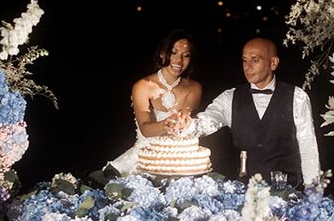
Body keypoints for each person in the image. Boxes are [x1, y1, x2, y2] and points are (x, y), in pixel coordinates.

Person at [178, 37, 320, 186]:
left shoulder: (297, 97)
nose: (247, 66)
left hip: (288, 192)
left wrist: (313, 192)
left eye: (255, 60)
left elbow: (308, 147)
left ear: (273, 63)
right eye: (245, 60)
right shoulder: (230, 97)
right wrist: (188, 125)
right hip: (245, 192)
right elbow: (207, 121)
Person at [105, 30, 202, 174]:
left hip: (180, 162)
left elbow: (187, 119)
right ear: (162, 53)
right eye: (173, 53)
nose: (179, 60)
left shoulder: (195, 88)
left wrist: (183, 120)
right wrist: (168, 124)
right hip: (144, 157)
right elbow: (146, 129)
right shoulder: (142, 86)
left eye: (186, 55)